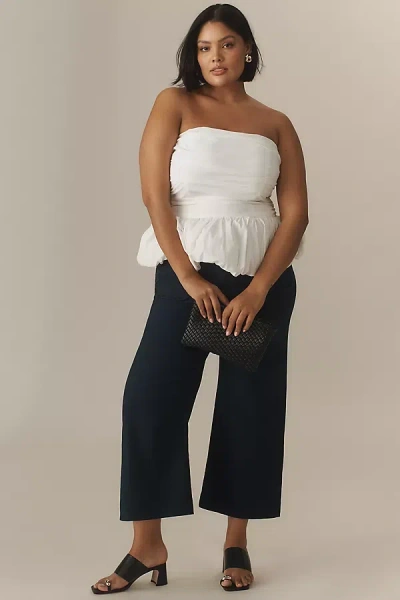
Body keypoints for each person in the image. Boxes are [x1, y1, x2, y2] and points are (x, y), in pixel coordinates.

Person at [91, 3, 308, 595]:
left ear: (248, 51)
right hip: (189, 275)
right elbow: (154, 194)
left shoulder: (276, 122)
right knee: (149, 400)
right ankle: (147, 544)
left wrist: (259, 288)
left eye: (228, 44)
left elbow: (294, 213)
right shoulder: (175, 104)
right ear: (193, 54)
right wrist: (187, 277)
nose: (216, 56)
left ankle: (236, 541)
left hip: (261, 284)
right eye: (205, 46)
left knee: (250, 410)